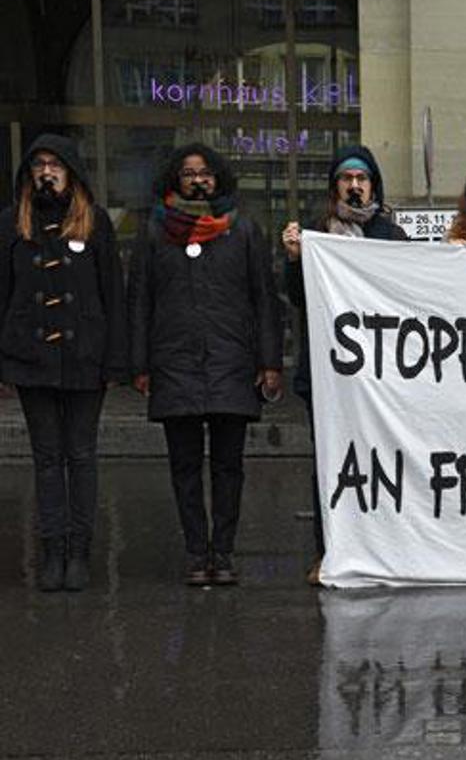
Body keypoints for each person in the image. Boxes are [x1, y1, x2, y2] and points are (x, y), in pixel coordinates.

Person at [129, 142, 283, 586]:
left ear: (219, 179)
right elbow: (140, 300)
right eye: (188, 173)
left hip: (232, 364)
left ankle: (225, 552)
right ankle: (197, 553)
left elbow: (263, 301)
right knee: (184, 466)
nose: (198, 180)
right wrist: (139, 364)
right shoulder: (154, 232)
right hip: (174, 364)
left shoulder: (245, 230)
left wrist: (269, 362)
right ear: (174, 181)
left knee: (228, 467)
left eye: (206, 173)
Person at [0, 134, 127, 591]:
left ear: (71, 171)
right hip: (30, 358)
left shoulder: (94, 223)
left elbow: (113, 292)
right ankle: (52, 548)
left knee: (82, 455)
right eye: (39, 165)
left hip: (84, 358)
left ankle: (80, 551)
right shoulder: (11, 224)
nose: (46, 172)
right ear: (28, 173)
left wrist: (117, 362)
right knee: (47, 458)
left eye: (55, 164)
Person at [282, 145, 407, 584]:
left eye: (362, 178)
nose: (354, 186)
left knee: (384, 466)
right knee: (332, 466)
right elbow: (298, 301)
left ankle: (385, 550)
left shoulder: (391, 238)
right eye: (346, 179)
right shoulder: (319, 235)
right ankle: (330, 551)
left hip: (381, 379)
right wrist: (297, 261)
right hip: (328, 377)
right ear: (335, 186)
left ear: (374, 185)